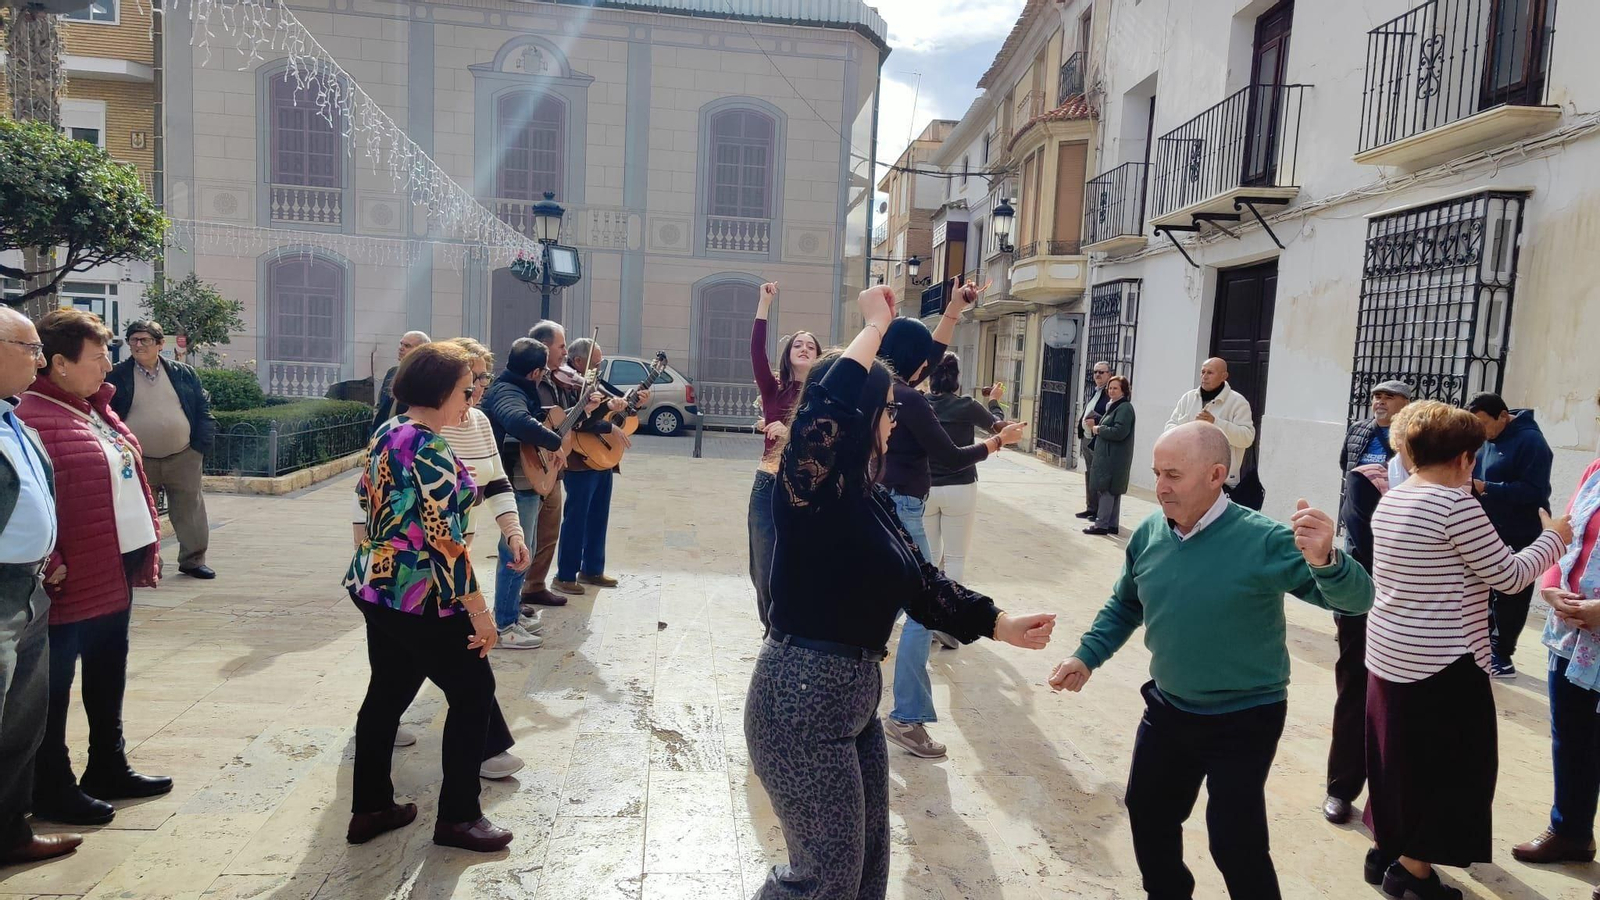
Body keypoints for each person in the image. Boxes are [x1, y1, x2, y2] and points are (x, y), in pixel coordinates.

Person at [747, 284, 1055, 900]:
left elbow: (924, 585)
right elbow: (821, 410)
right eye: (888, 410)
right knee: (822, 878)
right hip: (799, 698)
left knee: (866, 869)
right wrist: (874, 328)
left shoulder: (872, 499)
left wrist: (999, 623)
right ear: (862, 420)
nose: (895, 420)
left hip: (853, 695)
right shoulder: (810, 492)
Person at [1050, 422, 1373, 900]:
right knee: (1149, 813)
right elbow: (1127, 603)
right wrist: (1087, 655)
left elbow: (1355, 600)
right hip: (1168, 707)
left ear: (1216, 474)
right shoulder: (1149, 534)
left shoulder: (1262, 540)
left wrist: (1328, 560)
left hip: (1246, 716)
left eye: (1174, 475)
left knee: (1234, 839)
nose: (1160, 486)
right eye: (1158, 472)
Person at [1360, 400, 1567, 899]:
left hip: (1390, 654)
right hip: (1443, 663)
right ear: (1464, 459)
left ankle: (1386, 848)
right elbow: (1511, 576)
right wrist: (1554, 537)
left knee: (1395, 759)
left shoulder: (1396, 496)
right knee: (1448, 770)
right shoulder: (1455, 505)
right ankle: (1411, 871)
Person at [343, 341, 514, 853]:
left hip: (376, 584)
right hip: (422, 595)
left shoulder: (388, 431)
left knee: (387, 695)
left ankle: (371, 808)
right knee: (472, 694)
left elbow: (364, 499)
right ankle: (459, 818)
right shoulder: (431, 448)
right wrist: (480, 613)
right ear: (441, 390)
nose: (472, 400)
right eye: (466, 390)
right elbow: (446, 541)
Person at [17, 310, 170, 827]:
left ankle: (108, 764)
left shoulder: (94, 407)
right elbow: (31, 497)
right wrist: (52, 558)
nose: (111, 361)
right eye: (99, 353)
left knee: (107, 673)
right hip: (70, 579)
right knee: (54, 688)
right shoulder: (34, 415)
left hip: (112, 567)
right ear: (59, 364)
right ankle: (51, 785)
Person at [877, 280, 1027, 760]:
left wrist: (954, 312)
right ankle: (906, 716)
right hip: (904, 508)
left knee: (882, 604)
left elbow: (925, 352)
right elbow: (952, 455)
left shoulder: (875, 384)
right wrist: (999, 442)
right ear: (920, 365)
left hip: (878, 501)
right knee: (924, 611)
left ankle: (860, 705)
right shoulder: (913, 401)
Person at [0, 307, 81, 866]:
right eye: (27, 347)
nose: (37, 358)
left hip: (29, 590)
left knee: (23, 722)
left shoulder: (14, 419)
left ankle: (9, 832)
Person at [1509, 430, 1600, 879]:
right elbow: (1566, 535)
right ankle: (1571, 831)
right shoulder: (1594, 471)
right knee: (1572, 737)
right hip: (1575, 636)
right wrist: (1549, 590)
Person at [1323, 379, 1411, 826]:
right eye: (1376, 396)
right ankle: (1341, 787)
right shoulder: (1362, 457)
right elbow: (1361, 532)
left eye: (1389, 398)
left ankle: (1390, 803)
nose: (1379, 403)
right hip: (1365, 586)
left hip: (1414, 607)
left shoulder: (1432, 466)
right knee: (1354, 687)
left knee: (1400, 707)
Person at [480, 337, 586, 647]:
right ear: (535, 373)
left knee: (527, 546)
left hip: (527, 481)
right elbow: (516, 420)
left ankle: (511, 612)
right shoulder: (508, 391)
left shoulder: (514, 385)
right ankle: (505, 624)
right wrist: (554, 444)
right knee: (516, 552)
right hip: (516, 481)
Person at [106, 320, 217, 579]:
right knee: (142, 513)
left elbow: (202, 409)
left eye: (145, 340)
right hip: (138, 458)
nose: (138, 344)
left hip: (184, 455)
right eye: (133, 340)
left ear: (159, 344)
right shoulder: (117, 375)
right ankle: (149, 565)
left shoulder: (183, 373)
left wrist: (199, 447)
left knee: (190, 510)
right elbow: (105, 412)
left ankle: (193, 560)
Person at [1466, 392, 1554, 678]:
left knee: (1511, 594)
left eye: (1483, 424)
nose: (1479, 431)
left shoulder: (1532, 442)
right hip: (1491, 526)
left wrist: (1488, 487)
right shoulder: (1486, 439)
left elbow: (1535, 492)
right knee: (1485, 590)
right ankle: (1485, 647)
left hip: (1520, 530)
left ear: (1503, 416)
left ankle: (1502, 656)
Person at [552, 338, 646, 596]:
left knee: (598, 517)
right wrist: (609, 426)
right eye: (596, 363)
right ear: (579, 362)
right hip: (579, 460)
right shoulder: (567, 384)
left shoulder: (593, 383)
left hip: (601, 459)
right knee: (576, 519)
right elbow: (578, 421)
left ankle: (592, 569)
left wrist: (633, 403)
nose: (600, 367)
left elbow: (610, 408)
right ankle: (565, 575)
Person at [749, 281, 817, 633]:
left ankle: (791, 627)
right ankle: (770, 631)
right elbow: (757, 352)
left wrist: (789, 432)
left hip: (806, 488)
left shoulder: (824, 394)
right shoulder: (774, 389)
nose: (804, 348)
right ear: (789, 353)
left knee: (799, 562)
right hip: (768, 483)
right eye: (798, 344)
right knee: (762, 564)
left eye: (810, 346)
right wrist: (764, 304)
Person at [925, 352, 1003, 583]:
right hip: (960, 486)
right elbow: (999, 427)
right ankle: (952, 613)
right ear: (957, 377)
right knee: (955, 558)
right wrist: (994, 402)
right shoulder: (967, 405)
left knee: (929, 557)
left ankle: (925, 612)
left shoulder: (920, 402)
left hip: (925, 485)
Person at [521, 321, 574, 608]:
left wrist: (589, 407)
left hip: (552, 469)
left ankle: (535, 585)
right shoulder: (528, 382)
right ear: (544, 347)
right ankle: (514, 597)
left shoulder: (559, 381)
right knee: (523, 537)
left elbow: (563, 421)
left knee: (549, 532)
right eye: (561, 345)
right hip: (530, 466)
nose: (565, 352)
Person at [1163, 358, 1256, 503]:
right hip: (1186, 475)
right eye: (1202, 372)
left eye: (1210, 373)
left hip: (1220, 481)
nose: (1204, 376)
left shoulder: (1238, 402)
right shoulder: (1188, 398)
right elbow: (1169, 429)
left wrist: (1216, 423)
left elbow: (1247, 437)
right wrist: (1190, 426)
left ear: (1224, 376)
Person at [1084, 375, 1135, 536]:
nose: (1111, 391)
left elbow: (1119, 431)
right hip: (1109, 454)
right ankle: (1112, 524)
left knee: (1107, 489)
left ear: (1124, 391)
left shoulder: (1125, 408)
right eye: (1110, 388)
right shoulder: (1113, 406)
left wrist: (1098, 429)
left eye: (1116, 388)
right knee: (1113, 490)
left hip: (1114, 456)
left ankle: (1101, 524)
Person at [371, 331, 430, 434]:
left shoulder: (426, 378)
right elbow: (380, 404)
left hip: (408, 436)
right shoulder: (392, 372)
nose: (401, 348)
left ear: (422, 351)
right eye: (401, 344)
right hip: (382, 434)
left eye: (407, 346)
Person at [1076, 361, 1111, 520]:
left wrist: (1095, 422)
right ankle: (1090, 508)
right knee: (1089, 473)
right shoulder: (1095, 391)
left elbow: (1109, 416)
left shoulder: (1109, 393)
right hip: (1087, 437)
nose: (1097, 375)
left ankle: (1098, 512)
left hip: (1097, 439)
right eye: (1096, 372)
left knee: (1097, 475)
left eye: (1101, 372)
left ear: (1109, 374)